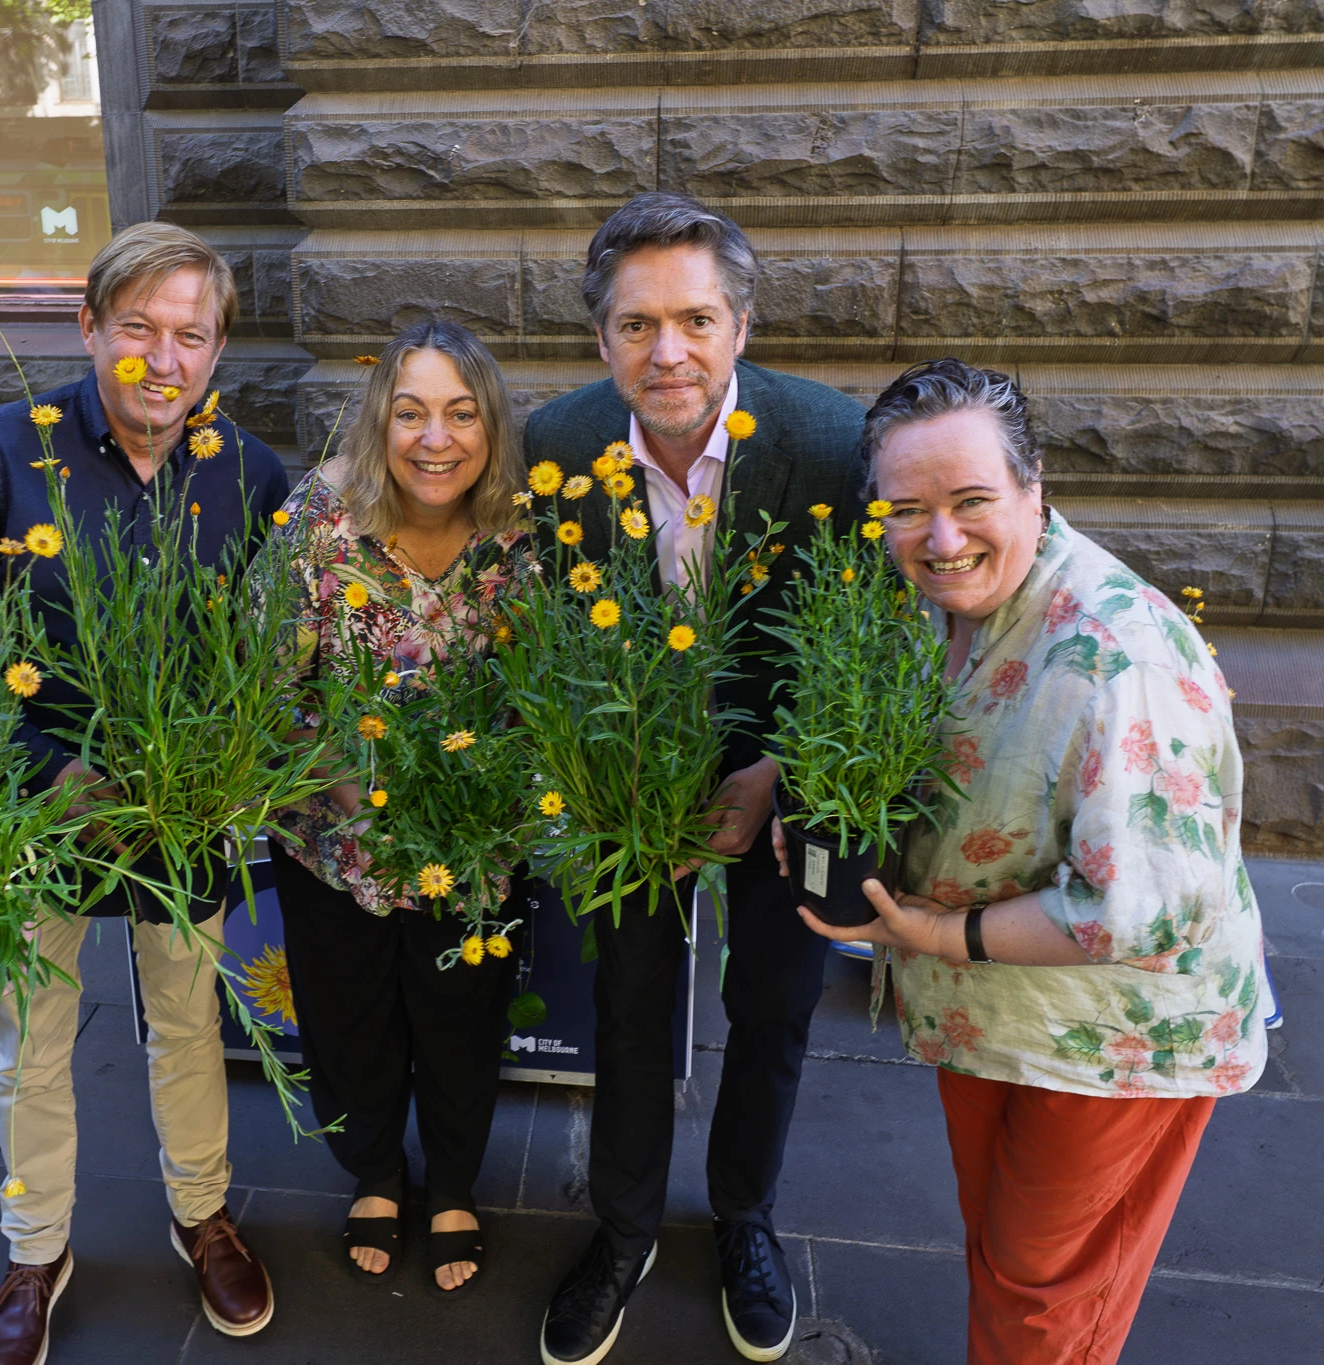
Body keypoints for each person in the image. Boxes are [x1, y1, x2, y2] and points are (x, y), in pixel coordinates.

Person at [789, 357, 1267, 1365]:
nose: (940, 537)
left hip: (1105, 1043)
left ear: (1032, 486)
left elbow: (1135, 910)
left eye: (970, 501)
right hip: (990, 1012)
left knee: (1045, 1293)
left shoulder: (1116, 658)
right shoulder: (938, 607)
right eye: (905, 509)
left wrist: (929, 930)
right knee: (1003, 1254)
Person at [0, 220, 290, 1365]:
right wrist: (39, 767)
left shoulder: (248, 472)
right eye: (137, 330)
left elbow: (270, 651)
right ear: (87, 329)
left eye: (190, 336)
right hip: (35, 807)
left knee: (187, 1021)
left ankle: (201, 1214)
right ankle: (35, 1250)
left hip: (184, 814)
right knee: (28, 1033)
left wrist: (235, 763)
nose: (161, 361)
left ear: (216, 350)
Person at [522, 192, 865, 1365]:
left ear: (740, 323)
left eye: (695, 319)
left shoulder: (828, 443)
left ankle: (741, 1217)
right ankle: (621, 1231)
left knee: (771, 1003)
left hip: (784, 758)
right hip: (626, 772)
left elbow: (864, 640)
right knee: (624, 1001)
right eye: (635, 326)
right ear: (598, 338)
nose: (666, 352)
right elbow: (549, 631)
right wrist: (614, 777)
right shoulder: (557, 446)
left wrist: (770, 770)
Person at [257, 319, 537, 1298]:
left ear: (488, 426)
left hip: (472, 837)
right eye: (410, 412)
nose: (435, 439)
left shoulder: (517, 535)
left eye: (460, 414)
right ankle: (376, 1172)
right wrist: (348, 786)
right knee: (349, 1018)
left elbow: (542, 690)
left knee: (462, 1015)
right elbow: (267, 685)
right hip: (335, 838)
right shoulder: (320, 520)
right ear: (380, 421)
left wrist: (480, 789)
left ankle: (453, 1183)